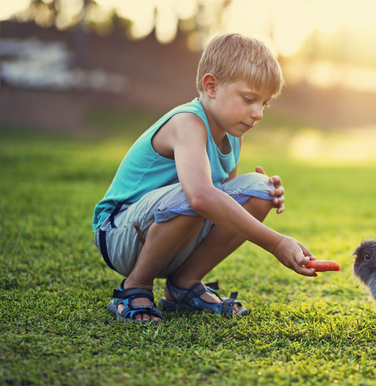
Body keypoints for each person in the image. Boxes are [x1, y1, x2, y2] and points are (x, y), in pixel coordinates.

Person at [92, 33, 316, 323]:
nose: (258, 113)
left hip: (170, 236)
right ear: (211, 86)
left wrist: (259, 194)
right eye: (249, 99)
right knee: (199, 194)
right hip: (118, 235)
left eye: (265, 104)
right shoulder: (187, 123)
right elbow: (200, 197)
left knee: (260, 190)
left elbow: (222, 204)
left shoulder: (232, 135)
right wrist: (275, 243)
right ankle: (135, 286)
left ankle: (183, 286)